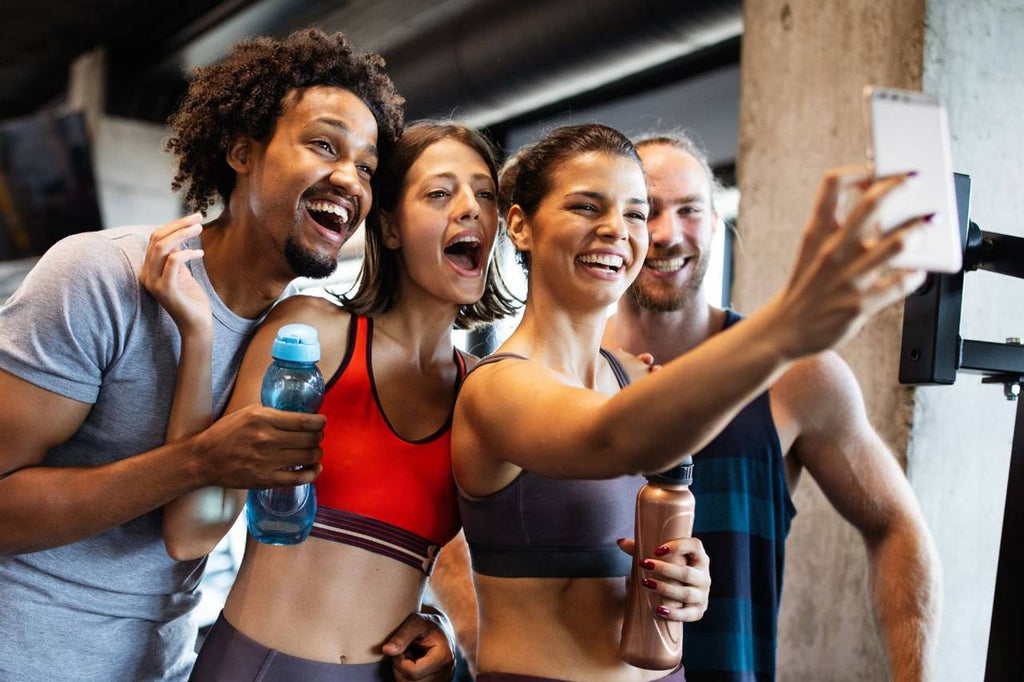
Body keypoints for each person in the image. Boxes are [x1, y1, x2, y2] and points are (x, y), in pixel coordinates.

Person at [449, 123, 927, 682]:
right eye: (586, 206)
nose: (617, 230)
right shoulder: (495, 388)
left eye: (633, 212)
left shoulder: (632, 376)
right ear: (520, 225)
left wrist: (684, 581)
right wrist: (787, 327)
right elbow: (614, 440)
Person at [0, 29, 407, 681]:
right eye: (324, 144)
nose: (349, 179)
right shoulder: (100, 275)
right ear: (242, 150)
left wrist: (428, 621)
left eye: (367, 166)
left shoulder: (310, 335)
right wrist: (198, 460)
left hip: (158, 662)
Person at [145, 120, 516, 681]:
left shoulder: (481, 392)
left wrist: (436, 622)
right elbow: (190, 530)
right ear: (388, 228)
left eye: (485, 194)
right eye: (440, 193)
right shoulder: (313, 335)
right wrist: (198, 336)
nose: (471, 208)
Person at [601, 133, 940, 682]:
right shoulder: (568, 371)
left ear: (715, 222)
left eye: (689, 210)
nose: (667, 234)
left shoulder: (797, 376)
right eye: (646, 212)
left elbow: (897, 526)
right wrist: (467, 638)